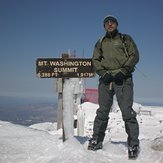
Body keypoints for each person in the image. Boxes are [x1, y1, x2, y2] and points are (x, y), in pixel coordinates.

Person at [88, 15, 140, 159]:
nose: (110, 24)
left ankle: (133, 144)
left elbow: (134, 55)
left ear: (117, 24)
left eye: (112, 22)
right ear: (104, 26)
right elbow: (95, 60)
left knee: (127, 112)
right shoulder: (101, 42)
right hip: (106, 80)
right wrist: (102, 73)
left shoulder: (125, 39)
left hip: (123, 79)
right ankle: (96, 140)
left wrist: (124, 71)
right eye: (107, 23)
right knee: (102, 111)